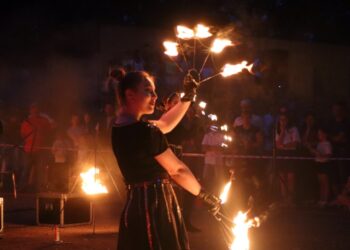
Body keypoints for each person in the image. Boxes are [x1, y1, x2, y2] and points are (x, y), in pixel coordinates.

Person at [111, 71, 221, 250]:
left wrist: (188, 96)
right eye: (148, 91)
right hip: (155, 209)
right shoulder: (146, 131)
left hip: (134, 209)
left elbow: (165, 124)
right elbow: (177, 170)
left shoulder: (118, 127)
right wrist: (203, 195)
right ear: (130, 95)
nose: (155, 96)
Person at [275, 112, 301, 205]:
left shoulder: (294, 129)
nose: (283, 122)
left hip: (291, 153)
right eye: (281, 120)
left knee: (290, 176)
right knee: (282, 176)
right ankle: (284, 197)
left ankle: (290, 198)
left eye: (284, 120)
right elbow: (278, 144)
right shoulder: (278, 130)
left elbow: (295, 143)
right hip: (282, 154)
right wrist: (282, 131)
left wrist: (285, 146)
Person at [307, 127, 332, 206]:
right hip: (318, 164)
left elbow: (327, 156)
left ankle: (325, 199)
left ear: (325, 134)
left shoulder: (327, 144)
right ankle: (321, 199)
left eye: (320, 134)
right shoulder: (319, 143)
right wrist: (310, 149)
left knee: (325, 183)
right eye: (318, 134)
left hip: (324, 164)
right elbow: (316, 154)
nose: (319, 135)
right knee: (320, 182)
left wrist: (317, 152)